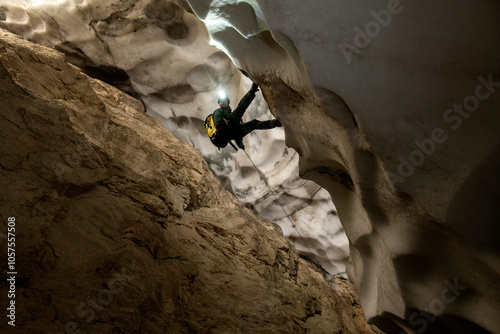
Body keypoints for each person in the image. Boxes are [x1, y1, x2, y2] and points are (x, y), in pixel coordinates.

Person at [213, 83, 282, 150]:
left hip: (232, 131)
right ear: (220, 104)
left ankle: (275, 123)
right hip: (229, 125)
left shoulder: (228, 113)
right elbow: (217, 119)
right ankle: (252, 91)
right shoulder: (219, 111)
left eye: (225, 101)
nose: (224, 102)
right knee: (240, 109)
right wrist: (219, 124)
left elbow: (236, 134)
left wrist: (240, 144)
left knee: (254, 124)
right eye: (222, 101)